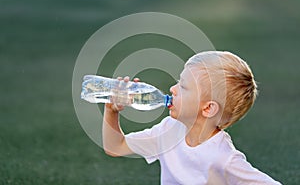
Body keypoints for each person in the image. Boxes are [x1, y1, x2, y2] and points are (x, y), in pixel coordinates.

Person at [102, 51, 281, 184]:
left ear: (208, 108)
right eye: (179, 81)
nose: (173, 88)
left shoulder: (223, 158)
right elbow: (116, 147)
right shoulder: (169, 130)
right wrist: (112, 111)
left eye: (184, 86)